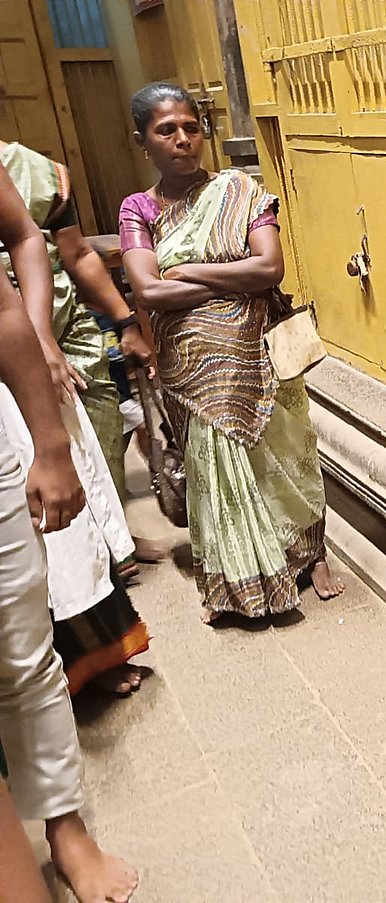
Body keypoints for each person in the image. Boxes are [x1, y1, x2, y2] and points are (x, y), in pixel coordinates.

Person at [120, 82, 344, 623]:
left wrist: (190, 271)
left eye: (191, 127)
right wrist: (231, 280)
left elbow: (269, 269)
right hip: (190, 367)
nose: (182, 140)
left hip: (257, 352)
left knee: (286, 454)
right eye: (166, 130)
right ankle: (243, 577)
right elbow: (148, 291)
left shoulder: (242, 192)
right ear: (142, 141)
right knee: (216, 467)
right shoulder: (139, 209)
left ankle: (308, 553)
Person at [0, 161, 138, 903]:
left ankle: (65, 828)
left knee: (21, 653)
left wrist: (48, 444)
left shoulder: (36, 174)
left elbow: (27, 257)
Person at [0, 140, 151, 696]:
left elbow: (62, 251)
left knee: (70, 503)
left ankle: (98, 652)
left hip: (44, 345)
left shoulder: (42, 175)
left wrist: (49, 340)